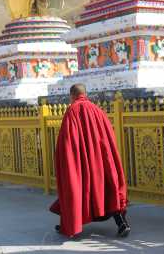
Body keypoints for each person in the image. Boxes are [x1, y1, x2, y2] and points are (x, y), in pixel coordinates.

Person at [50, 84, 130, 238]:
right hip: (102, 160)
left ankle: (71, 225)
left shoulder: (72, 111)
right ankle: (122, 223)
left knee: (76, 189)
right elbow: (109, 137)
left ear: (72, 96)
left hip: (83, 161)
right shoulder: (98, 110)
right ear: (85, 94)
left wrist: (67, 163)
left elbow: (67, 142)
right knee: (109, 189)